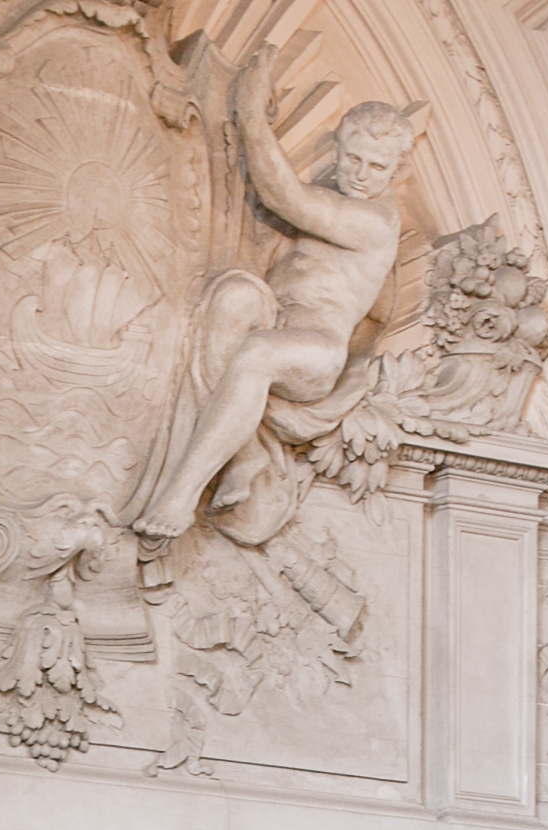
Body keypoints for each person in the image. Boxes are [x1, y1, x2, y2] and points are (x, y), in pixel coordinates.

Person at [130, 53, 420, 548]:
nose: (362, 175)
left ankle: (182, 491)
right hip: (276, 317)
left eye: (378, 167)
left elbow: (283, 195)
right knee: (232, 296)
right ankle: (243, 453)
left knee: (259, 352)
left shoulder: (373, 223)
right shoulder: (337, 197)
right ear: (336, 147)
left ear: (398, 170)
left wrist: (246, 105)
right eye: (352, 158)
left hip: (317, 350)